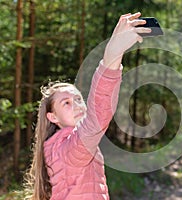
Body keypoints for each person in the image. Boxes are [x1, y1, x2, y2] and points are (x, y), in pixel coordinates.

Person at [24, 12, 151, 200]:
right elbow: (97, 116)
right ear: (53, 117)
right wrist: (112, 55)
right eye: (66, 102)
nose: (76, 104)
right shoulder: (67, 149)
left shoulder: (62, 146)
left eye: (77, 99)